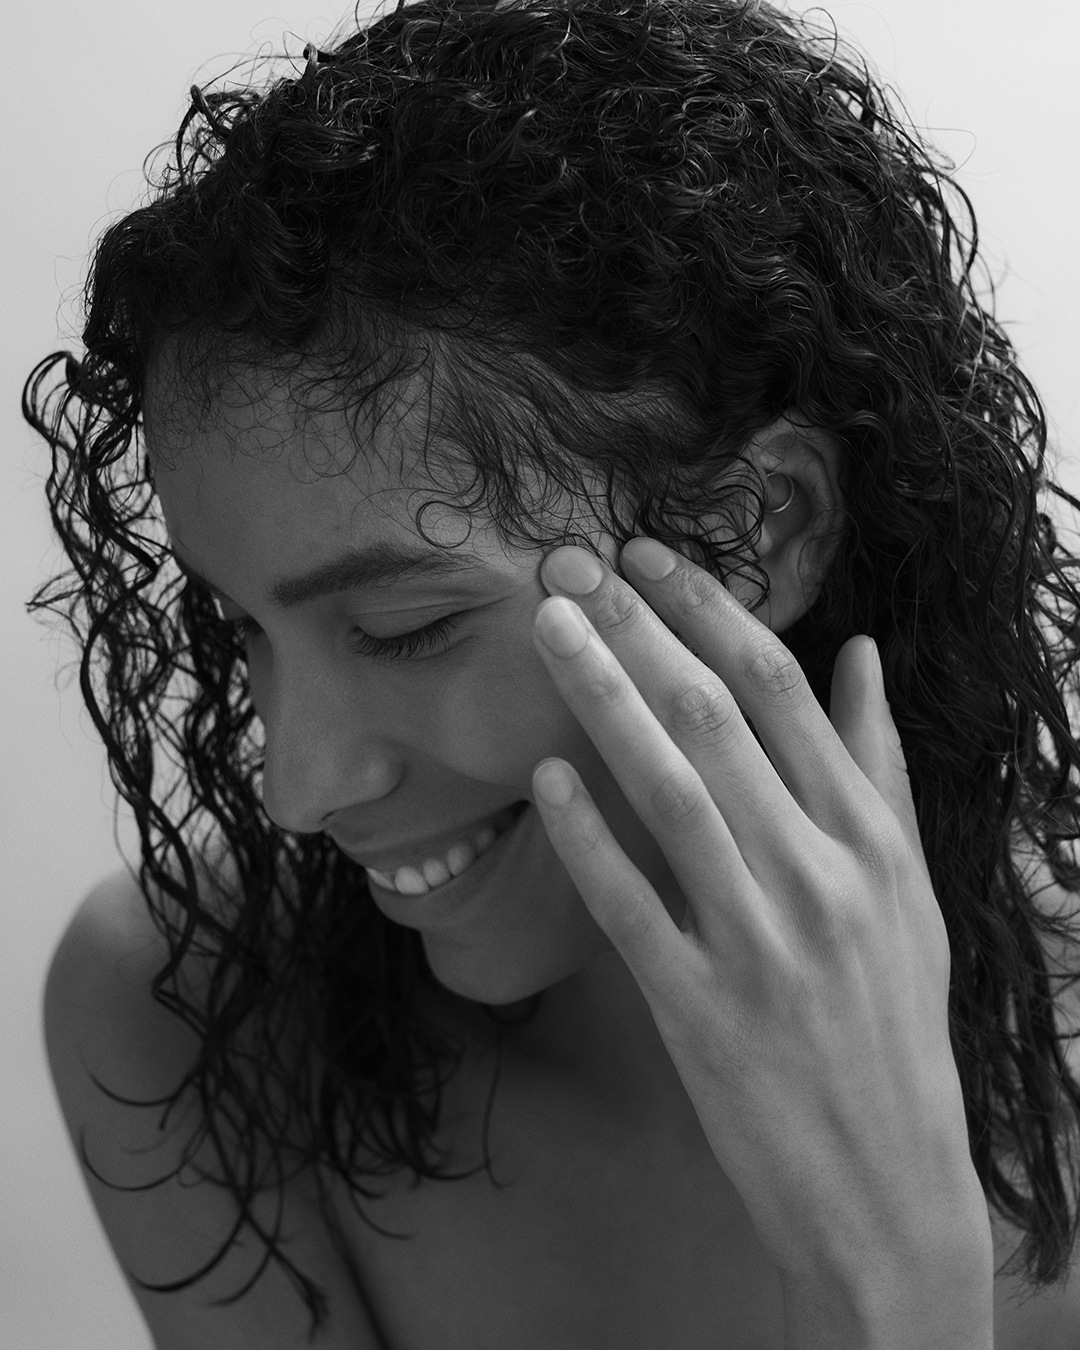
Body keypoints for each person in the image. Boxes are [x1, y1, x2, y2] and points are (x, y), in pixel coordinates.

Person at [25, 0, 1080, 1343]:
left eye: (406, 627)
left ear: (765, 529)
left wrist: (897, 1275)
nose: (296, 785)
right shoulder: (188, 1024)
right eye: (241, 627)